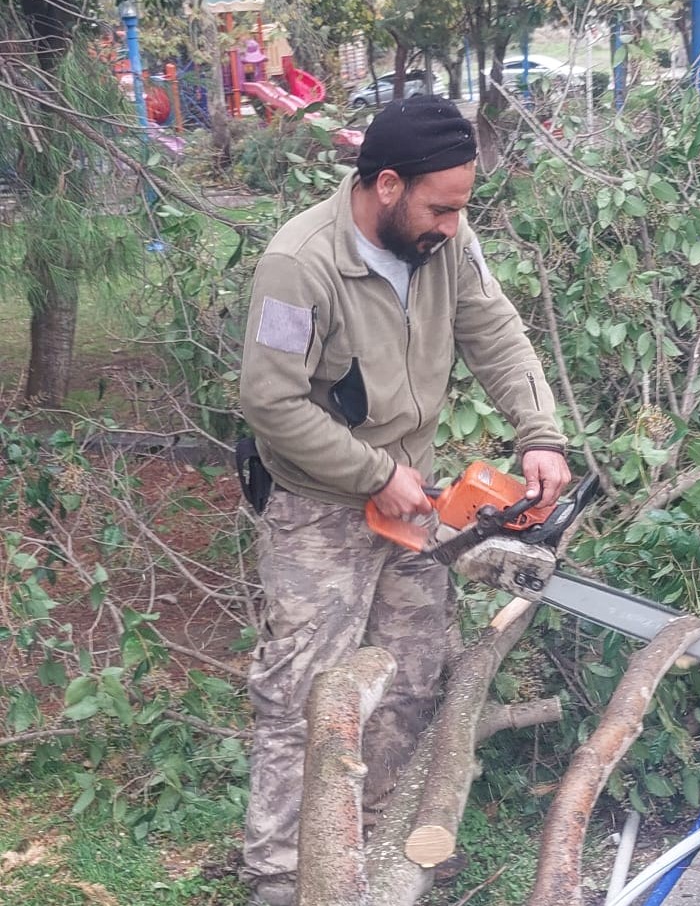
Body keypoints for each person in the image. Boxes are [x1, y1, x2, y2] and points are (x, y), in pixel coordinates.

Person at [238, 95, 570, 906]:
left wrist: (540, 434)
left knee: (415, 677)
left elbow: (496, 331)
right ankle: (280, 876)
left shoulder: (448, 244)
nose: (453, 224)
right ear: (386, 184)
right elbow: (270, 402)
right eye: (441, 206)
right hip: (319, 502)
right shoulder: (299, 264)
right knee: (303, 693)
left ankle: (385, 843)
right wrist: (370, 473)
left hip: (413, 495)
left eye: (461, 208)